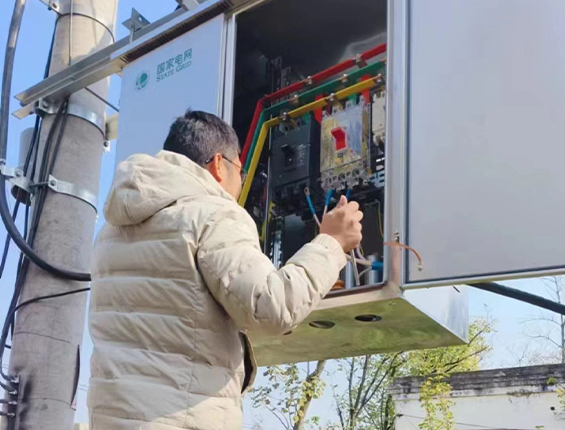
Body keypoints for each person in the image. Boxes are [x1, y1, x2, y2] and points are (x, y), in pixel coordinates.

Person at [87, 110, 363, 429]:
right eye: (241, 171)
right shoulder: (213, 213)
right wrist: (331, 242)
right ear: (219, 164)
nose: (241, 184)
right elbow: (272, 307)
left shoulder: (110, 232)